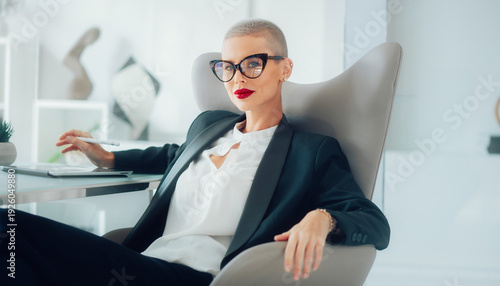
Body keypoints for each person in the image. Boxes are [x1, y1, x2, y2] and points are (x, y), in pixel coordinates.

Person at [0, 19, 389, 285]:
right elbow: (174, 155)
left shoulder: (311, 151)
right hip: (143, 262)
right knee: (11, 236)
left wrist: (323, 219)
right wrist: (110, 158)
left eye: (253, 64)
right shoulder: (209, 126)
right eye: (229, 66)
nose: (237, 77)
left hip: (200, 277)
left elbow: (372, 221)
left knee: (11, 231)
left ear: (284, 68)